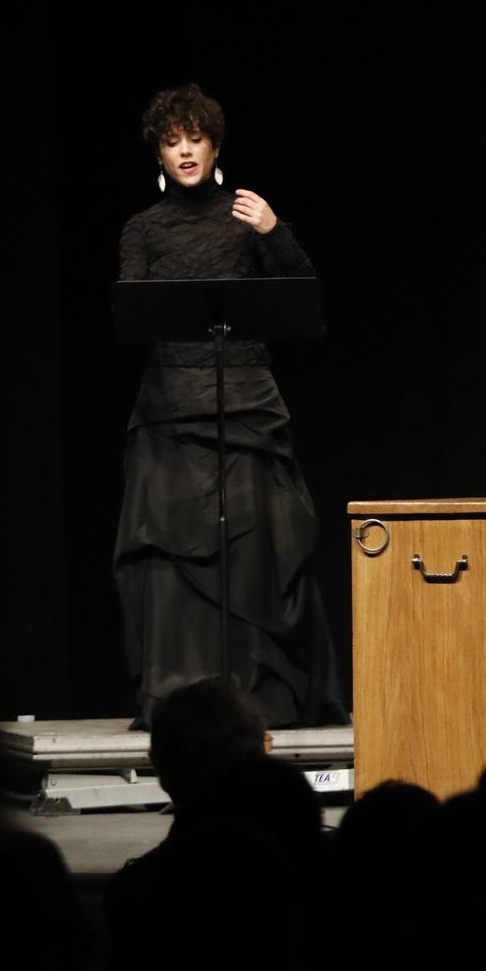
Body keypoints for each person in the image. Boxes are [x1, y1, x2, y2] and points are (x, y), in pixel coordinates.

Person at [115, 84, 345, 730]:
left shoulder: (246, 214)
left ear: (215, 145)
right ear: (159, 154)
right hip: (169, 407)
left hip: (245, 404)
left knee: (259, 549)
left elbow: (301, 291)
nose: (184, 150)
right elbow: (130, 310)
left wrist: (274, 231)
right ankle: (181, 696)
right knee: (171, 560)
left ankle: (263, 694)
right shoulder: (143, 228)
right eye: (171, 141)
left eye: (195, 138)